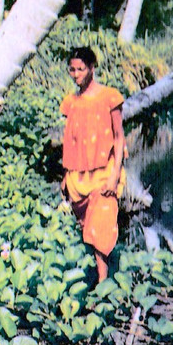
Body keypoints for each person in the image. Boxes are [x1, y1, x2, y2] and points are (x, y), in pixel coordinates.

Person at [60, 47, 127, 283]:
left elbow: (119, 137)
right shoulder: (70, 102)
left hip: (104, 173)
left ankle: (103, 283)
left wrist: (114, 175)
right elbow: (71, 139)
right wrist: (65, 176)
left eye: (81, 69)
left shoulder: (109, 97)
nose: (76, 74)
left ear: (92, 68)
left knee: (102, 226)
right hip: (78, 177)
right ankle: (91, 279)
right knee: (86, 229)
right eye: (72, 69)